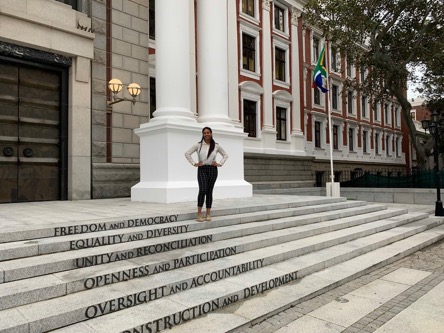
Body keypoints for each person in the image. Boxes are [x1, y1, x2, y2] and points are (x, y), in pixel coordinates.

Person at [185, 127, 228, 222]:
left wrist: (220, 163)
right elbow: (187, 153)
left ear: (211, 134)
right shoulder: (198, 145)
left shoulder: (216, 146)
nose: (206, 134)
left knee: (209, 191)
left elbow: (225, 155)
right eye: (204, 133)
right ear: (202, 134)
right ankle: (199, 214)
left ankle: (208, 214)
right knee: (203, 190)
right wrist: (194, 163)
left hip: (213, 170)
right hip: (202, 169)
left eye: (208, 132)